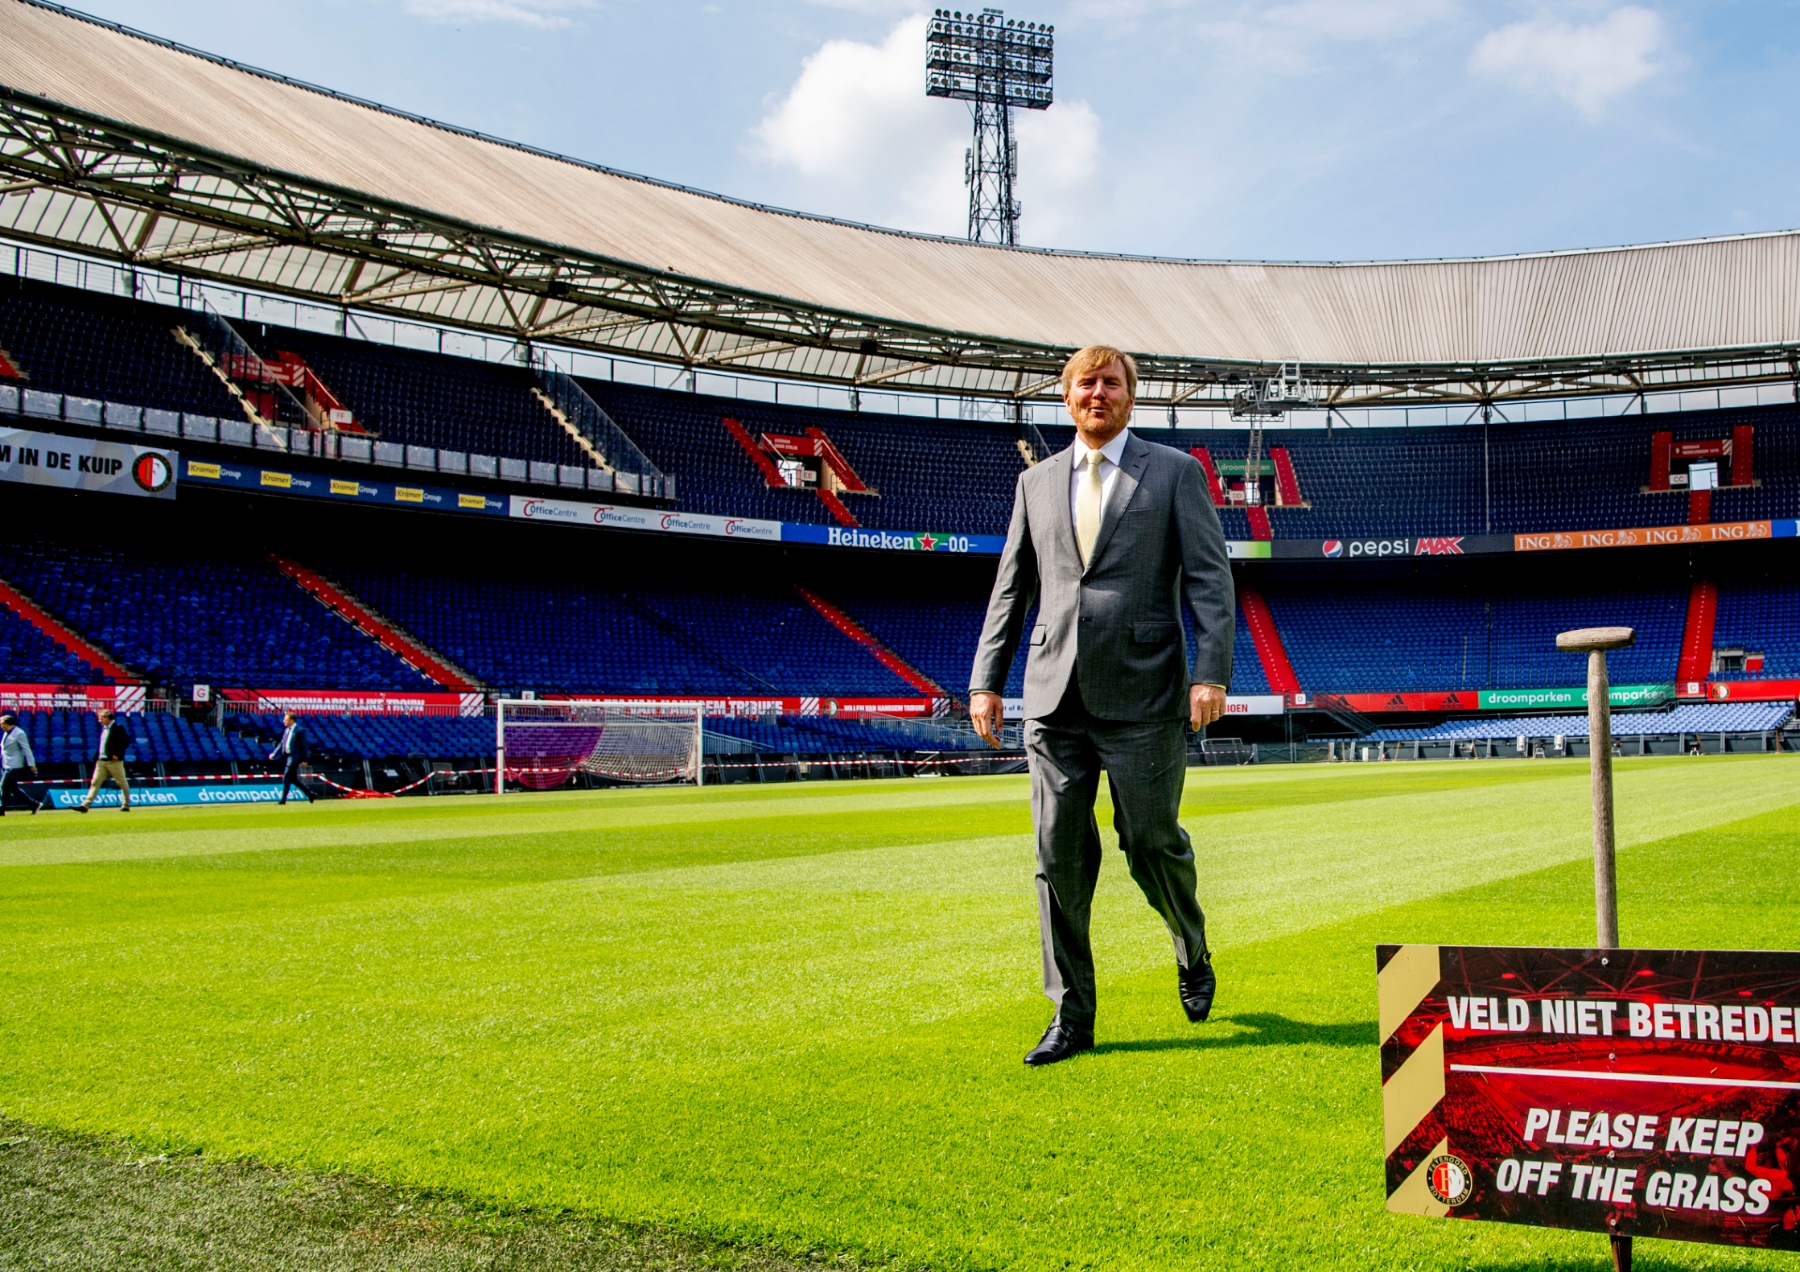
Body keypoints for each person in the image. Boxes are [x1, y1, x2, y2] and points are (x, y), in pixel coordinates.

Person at [969, 345, 1235, 1066]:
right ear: (1066, 398)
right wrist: (985, 679)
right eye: (1085, 383)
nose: (1098, 393)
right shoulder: (1037, 482)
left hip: (1146, 694)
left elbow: (1210, 579)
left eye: (1110, 383)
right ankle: (1071, 1017)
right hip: (1053, 698)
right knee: (1057, 855)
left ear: (1129, 397)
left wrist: (1210, 673)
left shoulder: (1175, 474)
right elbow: (1011, 587)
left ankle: (1191, 944)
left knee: (1150, 843)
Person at [75, 707, 131, 812]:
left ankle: (126, 805)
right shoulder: (104, 729)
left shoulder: (118, 727)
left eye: (101, 718)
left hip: (114, 762)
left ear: (107, 718)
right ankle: (85, 805)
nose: (99, 720)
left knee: (121, 783)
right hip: (101, 761)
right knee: (95, 782)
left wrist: (117, 754)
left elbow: (125, 742)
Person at [0, 712, 42, 815]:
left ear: (6, 723)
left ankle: (1, 809)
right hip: (7, 763)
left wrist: (31, 764)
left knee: (3, 786)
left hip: (14, 764)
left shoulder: (19, 733)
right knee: (14, 789)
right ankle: (34, 804)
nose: (0, 725)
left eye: (1, 723)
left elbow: (26, 749)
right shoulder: (7, 733)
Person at [270, 711, 309, 804]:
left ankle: (283, 799)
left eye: (286, 720)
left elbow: (304, 746)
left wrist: (304, 759)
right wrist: (275, 753)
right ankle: (310, 794)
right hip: (286, 756)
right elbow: (282, 743)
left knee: (286, 777)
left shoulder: (300, 730)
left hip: (294, 757)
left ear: (292, 720)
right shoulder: (287, 730)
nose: (284, 721)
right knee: (293, 779)